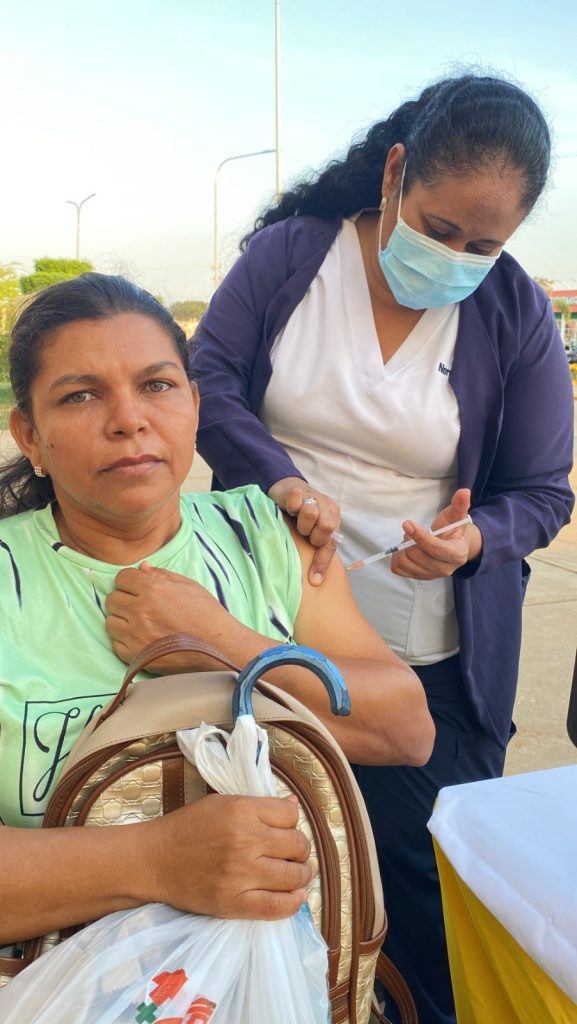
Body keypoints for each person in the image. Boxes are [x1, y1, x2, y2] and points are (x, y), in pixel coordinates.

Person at [190, 73, 575, 1023]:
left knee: (425, 908)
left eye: (484, 245)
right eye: (439, 230)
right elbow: (208, 377)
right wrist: (277, 480)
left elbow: (542, 491)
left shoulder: (511, 311)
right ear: (396, 171)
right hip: (265, 635)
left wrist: (473, 539)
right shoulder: (293, 257)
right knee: (275, 887)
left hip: (426, 667)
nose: (456, 260)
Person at [0, 273, 434, 947]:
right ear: (29, 435)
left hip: (285, 981)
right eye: (81, 395)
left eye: (157, 385)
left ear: (195, 405)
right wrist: (157, 861)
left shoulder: (268, 536)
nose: (128, 419)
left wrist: (220, 642)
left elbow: (405, 730)